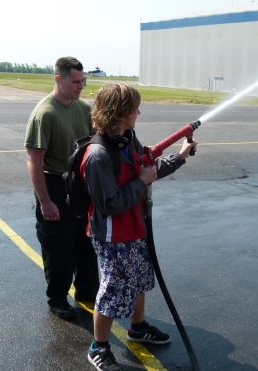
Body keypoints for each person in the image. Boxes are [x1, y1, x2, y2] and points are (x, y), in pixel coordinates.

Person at [82, 83, 197, 371]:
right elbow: (110, 204)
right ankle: (99, 345)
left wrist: (180, 158)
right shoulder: (98, 156)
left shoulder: (127, 141)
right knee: (112, 290)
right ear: (121, 113)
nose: (139, 112)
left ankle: (137, 327)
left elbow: (148, 169)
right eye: (134, 109)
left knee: (141, 279)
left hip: (134, 229)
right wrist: (142, 181)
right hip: (112, 235)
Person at [24, 57, 99, 319]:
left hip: (80, 185)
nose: (81, 86)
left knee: (86, 242)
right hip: (55, 184)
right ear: (59, 79)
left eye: (83, 81)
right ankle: (57, 298)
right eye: (76, 81)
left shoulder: (83, 109)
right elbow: (34, 159)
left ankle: (87, 291)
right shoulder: (45, 113)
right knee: (58, 247)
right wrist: (45, 201)